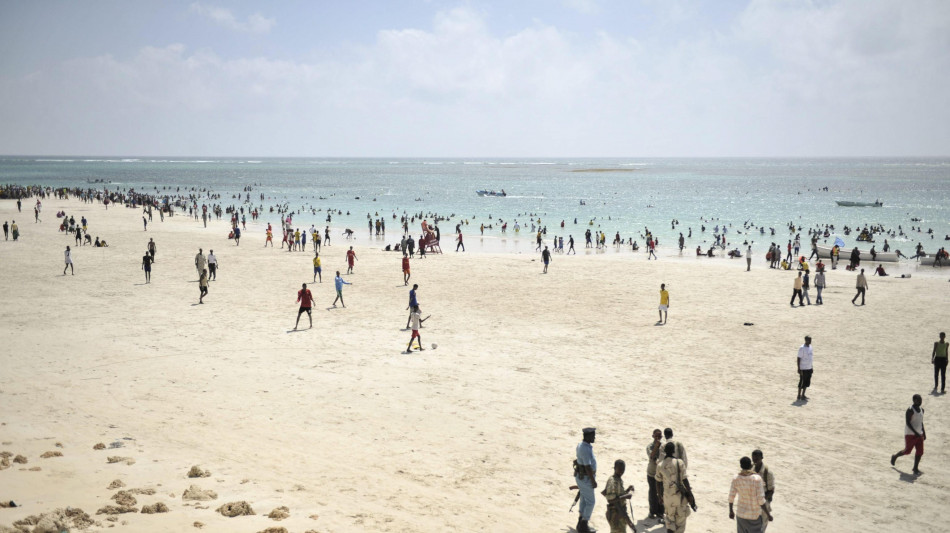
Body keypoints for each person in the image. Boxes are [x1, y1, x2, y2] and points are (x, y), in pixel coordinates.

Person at [655, 441, 692, 533]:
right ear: (673, 451)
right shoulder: (680, 463)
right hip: (680, 497)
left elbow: (658, 482)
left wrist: (659, 496)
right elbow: (685, 480)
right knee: (680, 523)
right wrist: (690, 494)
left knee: (670, 521)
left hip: (668, 497)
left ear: (664, 451)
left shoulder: (660, 465)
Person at [728, 456, 773, 533]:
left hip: (741, 515)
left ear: (741, 466)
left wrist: (731, 511)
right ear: (750, 465)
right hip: (754, 517)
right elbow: (761, 500)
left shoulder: (736, 478)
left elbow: (731, 497)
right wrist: (768, 514)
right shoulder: (757, 479)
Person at [891, 394, 926, 475]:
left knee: (920, 451)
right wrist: (915, 432)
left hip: (919, 434)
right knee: (907, 451)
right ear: (914, 400)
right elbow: (908, 423)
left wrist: (923, 432)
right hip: (910, 434)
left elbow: (921, 422)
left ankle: (915, 468)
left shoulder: (922, 410)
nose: (920, 401)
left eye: (921, 400)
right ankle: (895, 456)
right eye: (918, 400)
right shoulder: (910, 410)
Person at [603, 459, 637, 533]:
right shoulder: (613, 481)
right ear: (614, 468)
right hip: (616, 515)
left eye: (623, 469)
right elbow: (611, 500)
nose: (621, 471)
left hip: (619, 515)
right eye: (619, 469)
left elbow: (618, 495)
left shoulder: (618, 479)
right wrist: (625, 496)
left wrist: (627, 490)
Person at [574, 427, 598, 533]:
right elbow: (588, 467)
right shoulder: (585, 449)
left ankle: (580, 522)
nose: (594, 437)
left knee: (584, 499)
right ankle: (584, 524)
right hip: (586, 479)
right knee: (591, 502)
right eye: (593, 435)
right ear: (588, 436)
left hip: (581, 477)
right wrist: (593, 481)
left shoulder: (581, 445)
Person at [751, 450, 775, 532]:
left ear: (762, 458)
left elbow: (771, 491)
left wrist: (761, 501)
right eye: (753, 458)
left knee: (761, 528)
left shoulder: (767, 473)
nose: (755, 460)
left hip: (763, 504)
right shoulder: (750, 470)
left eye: (757, 458)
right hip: (752, 504)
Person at [646, 429, 665, 523]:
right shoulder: (649, 446)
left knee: (661, 492)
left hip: (661, 474)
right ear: (653, 436)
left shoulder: (663, 447)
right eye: (656, 436)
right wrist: (656, 446)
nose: (658, 438)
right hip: (652, 473)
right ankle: (652, 511)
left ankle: (660, 512)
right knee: (653, 493)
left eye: (659, 437)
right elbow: (651, 456)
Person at [797, 336, 813, 401]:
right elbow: (798, 358)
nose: (810, 341)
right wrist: (798, 368)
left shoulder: (811, 347)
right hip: (803, 368)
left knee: (807, 382)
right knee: (802, 382)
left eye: (810, 340)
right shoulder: (802, 348)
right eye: (809, 340)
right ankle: (799, 395)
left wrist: (812, 367)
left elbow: (811, 358)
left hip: (809, 367)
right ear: (806, 340)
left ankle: (803, 395)